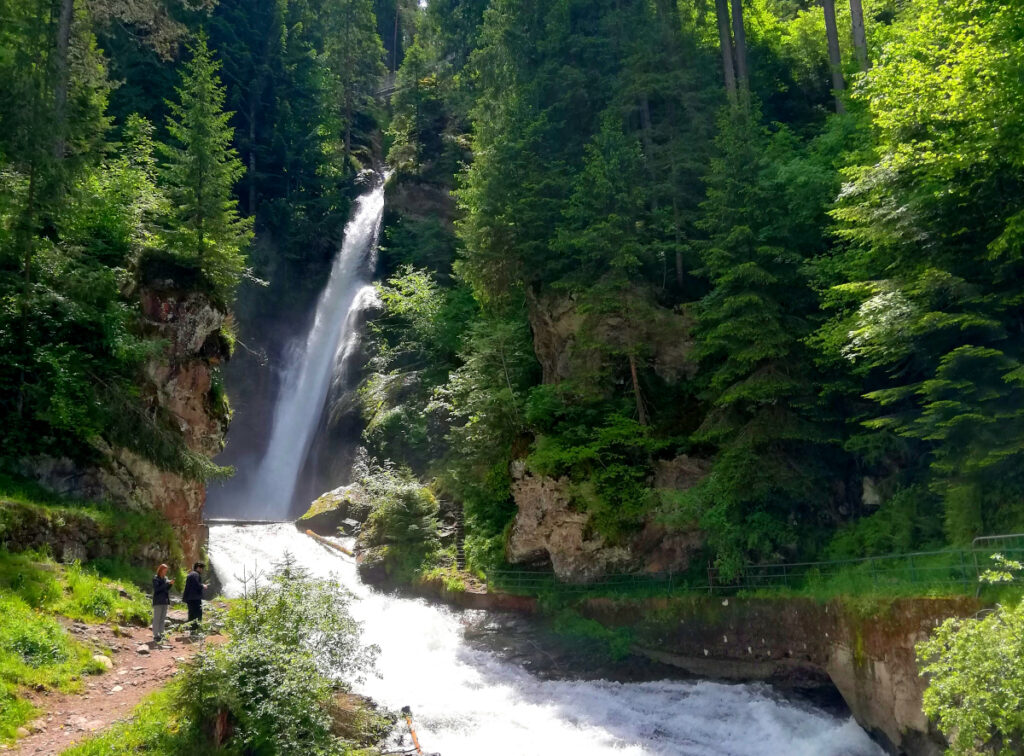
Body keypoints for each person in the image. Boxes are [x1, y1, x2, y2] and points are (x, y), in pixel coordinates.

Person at [183, 561, 208, 634]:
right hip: (195, 598)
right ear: (198, 568)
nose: (202, 570)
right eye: (201, 568)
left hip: (190, 598)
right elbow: (196, 585)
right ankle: (196, 631)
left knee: (191, 614)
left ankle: (192, 631)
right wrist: (203, 586)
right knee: (198, 614)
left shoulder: (190, 574)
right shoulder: (196, 575)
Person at [152, 564, 173, 643]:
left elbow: (166, 589)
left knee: (162, 619)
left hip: (165, 600)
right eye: (164, 571)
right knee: (157, 618)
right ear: (160, 570)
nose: (165, 572)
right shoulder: (155, 578)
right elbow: (157, 589)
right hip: (158, 601)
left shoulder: (165, 578)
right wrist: (166, 584)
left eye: (166, 571)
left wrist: (170, 584)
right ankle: (155, 635)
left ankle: (161, 634)